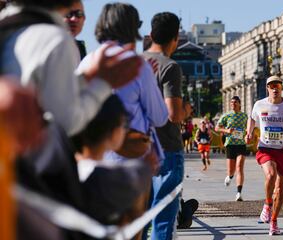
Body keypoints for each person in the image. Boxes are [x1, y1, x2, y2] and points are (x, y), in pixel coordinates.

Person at [0, 0, 142, 137]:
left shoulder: (8, 24)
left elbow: (39, 89)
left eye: (79, 14)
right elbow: (65, 123)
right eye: (72, 13)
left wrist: (85, 77)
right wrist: (104, 83)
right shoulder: (54, 39)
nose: (75, 18)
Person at [78, 3, 168, 166]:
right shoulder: (137, 66)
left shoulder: (86, 62)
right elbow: (160, 117)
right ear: (131, 28)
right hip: (129, 160)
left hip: (90, 159)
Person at [143, 12, 192, 240]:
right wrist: (186, 111)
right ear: (176, 38)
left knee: (137, 223)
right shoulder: (169, 66)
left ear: (151, 34)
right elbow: (173, 114)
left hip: (134, 150)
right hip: (166, 150)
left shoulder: (132, 63)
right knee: (162, 221)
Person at [71, 95, 153, 225]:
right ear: (114, 131)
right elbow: (135, 217)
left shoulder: (65, 167)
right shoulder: (110, 180)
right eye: (125, 124)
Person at [246, 75, 283, 236]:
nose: (274, 88)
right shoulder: (259, 105)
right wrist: (249, 132)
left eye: (277, 85)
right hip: (265, 149)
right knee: (270, 175)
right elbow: (251, 119)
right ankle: (267, 203)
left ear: (281, 88)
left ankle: (274, 221)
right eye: (271, 86)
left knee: (280, 189)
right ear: (267, 88)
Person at [215, 96, 248, 201]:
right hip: (230, 145)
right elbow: (217, 128)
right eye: (231, 102)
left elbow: (249, 128)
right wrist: (226, 131)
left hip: (241, 144)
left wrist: (248, 134)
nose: (233, 104)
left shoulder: (244, 116)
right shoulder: (226, 116)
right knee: (231, 171)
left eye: (235, 102)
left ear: (239, 104)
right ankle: (229, 176)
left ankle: (239, 193)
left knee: (239, 168)